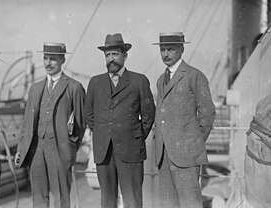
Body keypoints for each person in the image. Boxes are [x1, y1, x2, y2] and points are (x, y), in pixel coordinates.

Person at [85, 33, 155, 208]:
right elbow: (89, 115)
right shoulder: (95, 83)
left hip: (131, 150)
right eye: (107, 55)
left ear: (125, 55)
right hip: (104, 152)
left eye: (115, 54)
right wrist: (104, 134)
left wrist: (134, 136)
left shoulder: (139, 81)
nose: (111, 59)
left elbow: (148, 115)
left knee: (132, 200)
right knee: (107, 200)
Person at [15, 42, 86, 208]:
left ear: (62, 60)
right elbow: (26, 123)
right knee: (39, 197)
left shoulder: (74, 87)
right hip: (36, 151)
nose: (48, 63)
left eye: (53, 59)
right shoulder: (35, 88)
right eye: (45, 58)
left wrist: (69, 147)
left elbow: (81, 124)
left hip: (60, 151)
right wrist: (21, 147)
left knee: (61, 198)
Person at [153, 32, 216, 208]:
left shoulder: (194, 76)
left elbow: (208, 112)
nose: (165, 54)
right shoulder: (160, 80)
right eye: (162, 49)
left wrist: (193, 142)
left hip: (187, 156)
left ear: (181, 49)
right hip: (164, 155)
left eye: (170, 49)